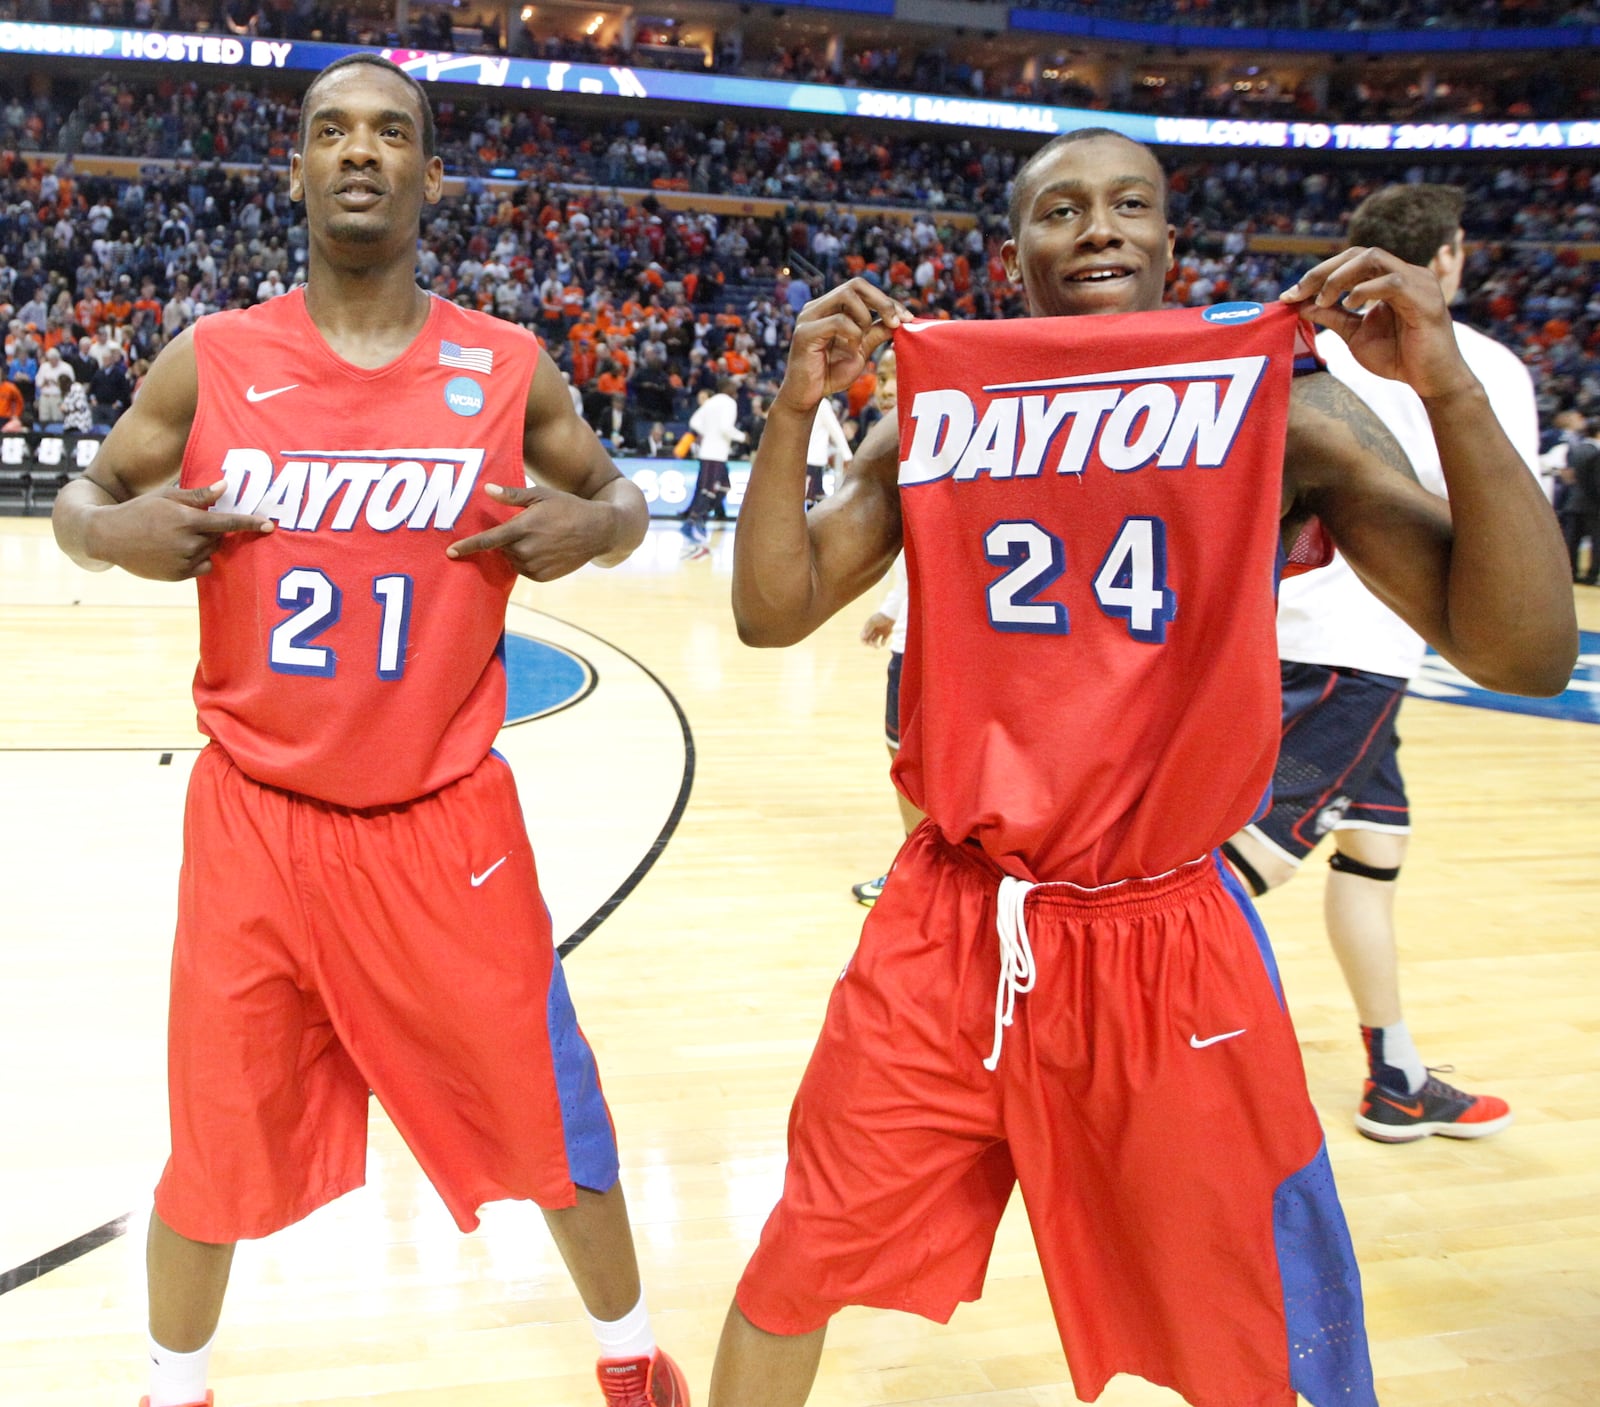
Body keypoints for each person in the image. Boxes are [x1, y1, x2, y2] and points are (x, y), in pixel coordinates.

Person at [713, 129, 1575, 1407]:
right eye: (1061, 211)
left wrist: (1442, 385)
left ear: (1174, 245)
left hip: (1166, 930)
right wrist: (791, 414)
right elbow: (772, 612)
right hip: (952, 921)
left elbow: (1523, 649)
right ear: (1014, 259)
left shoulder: (1283, 405)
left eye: (1130, 205)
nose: (1099, 227)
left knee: (1247, 1333)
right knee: (799, 1257)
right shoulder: (933, 412)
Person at [50, 55, 686, 1407]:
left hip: (443, 822)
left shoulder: (503, 366)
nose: (359, 151)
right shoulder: (212, 355)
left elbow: (625, 493)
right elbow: (81, 490)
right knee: (211, 1145)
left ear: (427, 175)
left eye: (390, 132)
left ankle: (634, 1360)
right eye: (330, 131)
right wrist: (112, 530)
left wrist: (604, 524)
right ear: (294, 168)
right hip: (257, 825)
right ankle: (177, 1385)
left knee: (556, 1122)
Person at [1221, 183, 1541, 1144]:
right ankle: (1132, 1067)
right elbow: (1505, 539)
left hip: (1282, 632)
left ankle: (1395, 1077)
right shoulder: (1476, 364)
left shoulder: (1303, 356)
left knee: (1375, 851)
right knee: (1229, 877)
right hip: (1352, 653)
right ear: (1445, 257)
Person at [681, 377, 744, 553]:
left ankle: (701, 517)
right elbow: (726, 427)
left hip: (711, 451)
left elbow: (694, 422)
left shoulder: (711, 402)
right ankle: (692, 522)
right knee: (708, 489)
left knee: (724, 486)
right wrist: (742, 437)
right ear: (728, 389)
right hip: (715, 453)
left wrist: (708, 433)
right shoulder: (729, 403)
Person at [802, 393, 851, 508]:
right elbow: (835, 430)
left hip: (802, 458)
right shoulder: (822, 404)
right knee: (809, 499)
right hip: (813, 459)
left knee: (810, 497)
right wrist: (848, 456)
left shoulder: (802, 401)